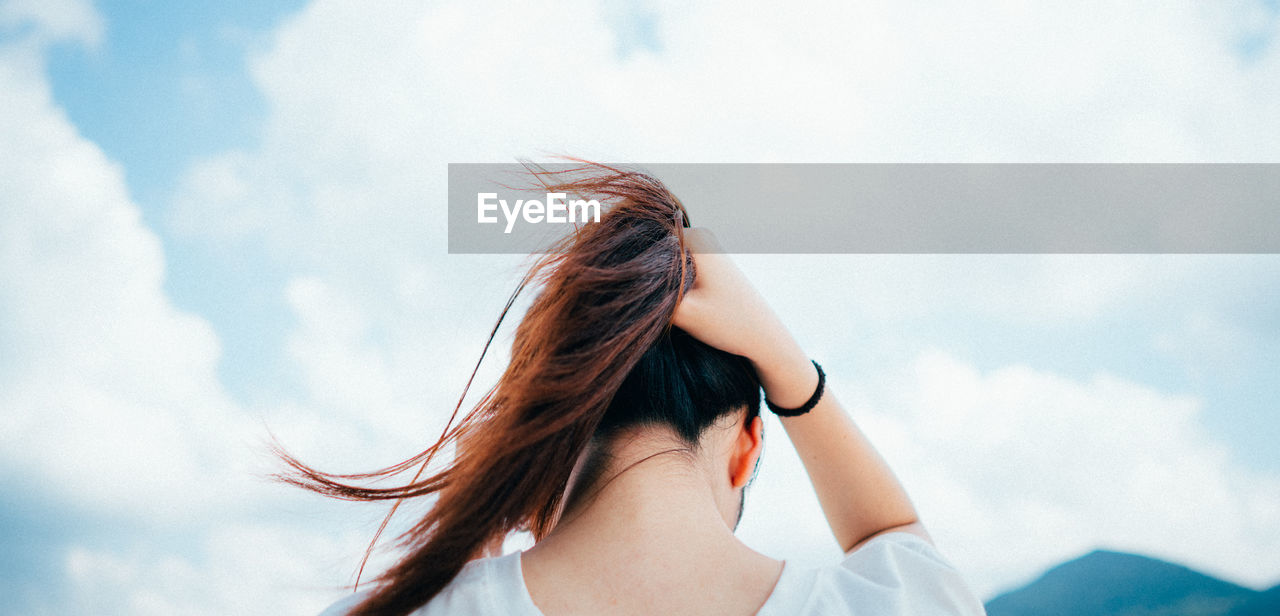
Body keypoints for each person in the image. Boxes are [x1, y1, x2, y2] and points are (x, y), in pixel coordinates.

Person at [283, 165, 987, 616]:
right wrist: (785, 362)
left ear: (534, 447)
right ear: (746, 446)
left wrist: (465, 574)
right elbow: (894, 539)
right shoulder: (897, 606)